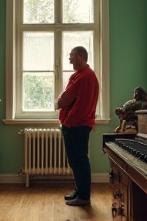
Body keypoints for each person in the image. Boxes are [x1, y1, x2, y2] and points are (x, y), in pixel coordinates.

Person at [57, 46, 99, 207]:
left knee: (80, 160)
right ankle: (79, 191)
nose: (69, 60)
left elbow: (82, 105)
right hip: (73, 125)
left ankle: (84, 196)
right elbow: (68, 98)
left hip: (77, 126)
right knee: (75, 160)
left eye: (71, 56)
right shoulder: (79, 76)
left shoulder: (87, 76)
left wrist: (68, 122)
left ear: (80, 56)